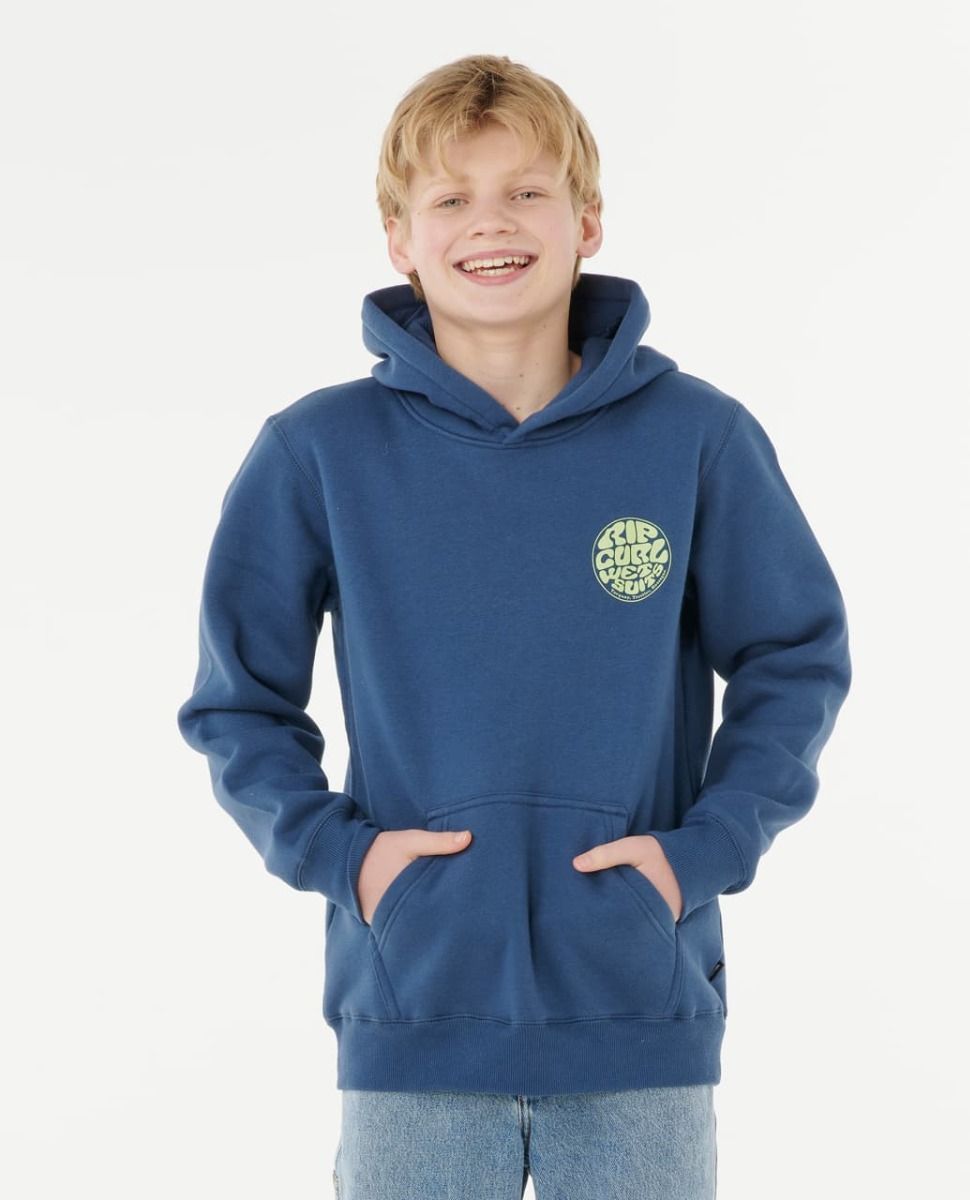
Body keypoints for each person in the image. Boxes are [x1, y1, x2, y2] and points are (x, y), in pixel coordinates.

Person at [177, 53, 852, 1200]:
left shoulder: (696, 438)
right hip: (412, 1014)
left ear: (586, 220)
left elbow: (795, 659)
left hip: (638, 1011)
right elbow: (237, 704)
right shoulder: (318, 451)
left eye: (525, 191)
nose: (489, 224)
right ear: (399, 239)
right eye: (450, 198)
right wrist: (348, 861)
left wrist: (700, 855)